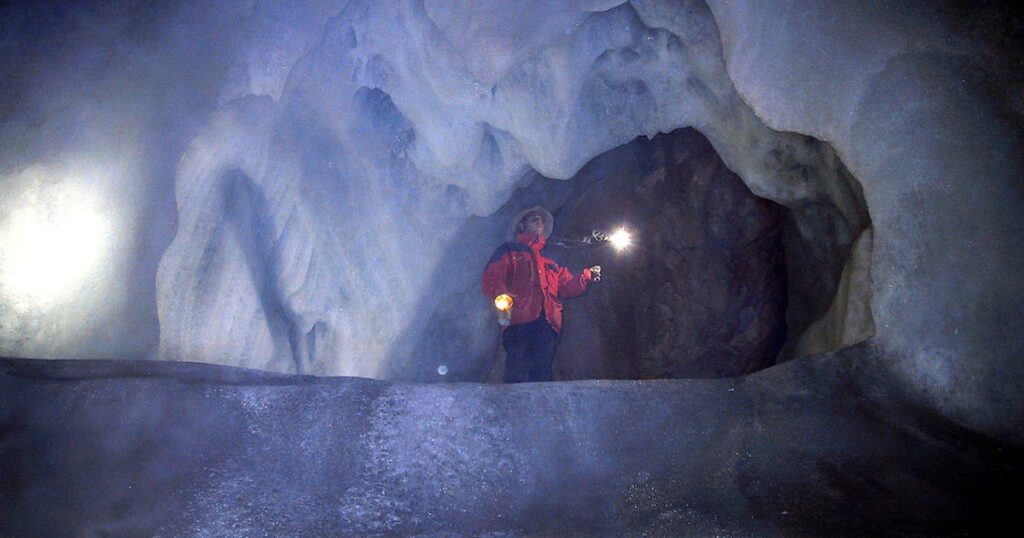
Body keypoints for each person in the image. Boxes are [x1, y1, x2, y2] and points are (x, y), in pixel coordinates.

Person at [481, 206, 599, 383]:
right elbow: (491, 277)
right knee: (517, 368)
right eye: (534, 219)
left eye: (541, 220)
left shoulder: (549, 261)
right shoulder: (509, 251)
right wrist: (502, 297)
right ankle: (513, 400)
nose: (539, 222)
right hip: (518, 320)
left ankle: (540, 401)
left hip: (547, 323)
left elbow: (566, 286)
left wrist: (586, 276)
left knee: (542, 369)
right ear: (521, 225)